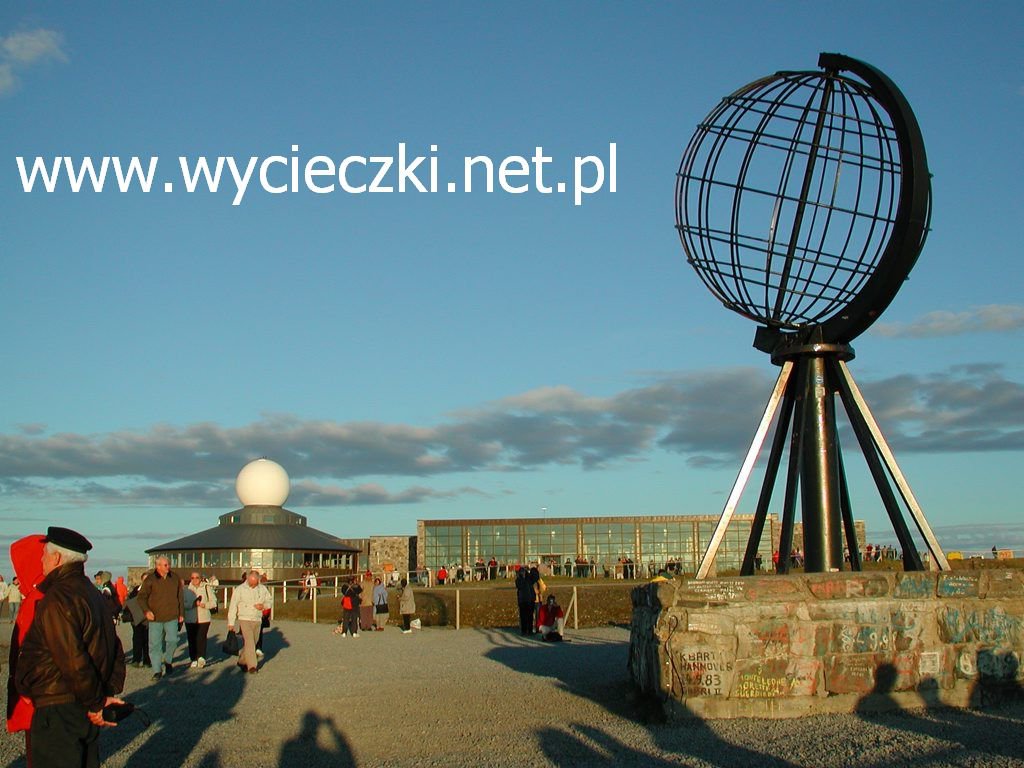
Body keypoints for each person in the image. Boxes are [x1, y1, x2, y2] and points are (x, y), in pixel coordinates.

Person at [15, 527, 126, 768]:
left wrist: (97, 702)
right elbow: (115, 649)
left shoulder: (58, 598)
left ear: (56, 558)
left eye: (44, 555)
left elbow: (73, 660)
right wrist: (105, 694)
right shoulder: (94, 595)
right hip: (82, 707)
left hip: (59, 710)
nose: (41, 561)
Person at [6, 534, 46, 757]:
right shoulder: (43, 594)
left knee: (41, 752)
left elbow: (29, 649)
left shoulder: (37, 600)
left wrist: (24, 687)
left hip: (38, 693)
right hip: (43, 692)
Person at [136, 554, 184, 680]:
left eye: (168, 564)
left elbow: (180, 597)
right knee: (155, 645)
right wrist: (146, 611)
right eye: (165, 565)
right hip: (155, 618)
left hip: (172, 616)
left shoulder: (175, 578)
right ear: (158, 566)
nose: (168, 567)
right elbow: (141, 597)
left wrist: (181, 614)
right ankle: (157, 670)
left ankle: (168, 661)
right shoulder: (150, 579)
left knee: (173, 641)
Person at [227, 569, 272, 673]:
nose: (252, 585)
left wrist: (263, 606)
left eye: (254, 583)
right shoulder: (239, 589)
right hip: (244, 618)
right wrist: (231, 622)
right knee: (249, 641)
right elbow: (233, 606)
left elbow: (269, 601)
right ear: (247, 579)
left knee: (253, 642)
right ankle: (252, 666)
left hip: (257, 618)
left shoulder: (262, 589)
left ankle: (242, 661)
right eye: (251, 583)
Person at [183, 571, 217, 668]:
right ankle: (193, 658)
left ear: (201, 578)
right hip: (190, 618)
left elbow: (214, 602)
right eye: (192, 578)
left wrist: (204, 605)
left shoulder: (206, 587)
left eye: (197, 577)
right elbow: (182, 604)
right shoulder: (186, 590)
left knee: (201, 637)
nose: (194, 579)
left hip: (204, 618)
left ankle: (201, 657)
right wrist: (192, 605)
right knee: (191, 639)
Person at [123, 580, 152, 668]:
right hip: (136, 619)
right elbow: (129, 602)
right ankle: (136, 659)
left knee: (147, 640)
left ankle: (147, 661)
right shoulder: (135, 590)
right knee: (136, 639)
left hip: (147, 619)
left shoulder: (153, 590)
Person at [515, 565, 539, 636]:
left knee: (530, 616)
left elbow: (536, 578)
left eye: (524, 571)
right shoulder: (518, 580)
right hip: (523, 600)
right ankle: (524, 630)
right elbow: (519, 585)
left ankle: (530, 630)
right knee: (523, 616)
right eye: (521, 572)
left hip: (530, 599)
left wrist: (533, 570)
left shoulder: (529, 578)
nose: (523, 573)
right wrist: (522, 577)